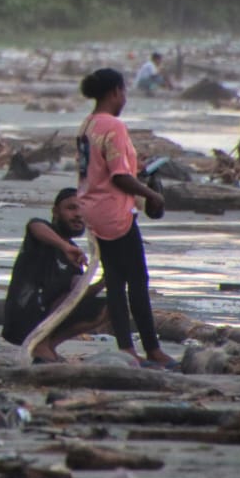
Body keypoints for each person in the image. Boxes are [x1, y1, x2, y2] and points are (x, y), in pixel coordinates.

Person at [77, 67, 177, 370]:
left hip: (92, 207)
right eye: (124, 92)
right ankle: (152, 349)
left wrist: (137, 169)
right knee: (137, 280)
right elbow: (119, 177)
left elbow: (98, 168)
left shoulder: (87, 125)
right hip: (113, 212)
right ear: (116, 92)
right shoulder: (114, 126)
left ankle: (126, 348)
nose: (125, 98)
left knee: (117, 282)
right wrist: (152, 194)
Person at [2, 188, 109, 363]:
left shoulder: (74, 253)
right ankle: (39, 345)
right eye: (71, 208)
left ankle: (49, 345)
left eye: (83, 209)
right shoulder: (43, 235)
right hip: (24, 315)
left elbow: (78, 293)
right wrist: (64, 247)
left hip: (49, 317)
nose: (78, 215)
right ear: (55, 211)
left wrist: (104, 281)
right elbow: (34, 225)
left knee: (109, 307)